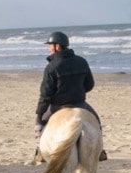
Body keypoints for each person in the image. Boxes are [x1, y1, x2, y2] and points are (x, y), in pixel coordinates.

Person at [33, 31, 104, 164]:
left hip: (57, 106)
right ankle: (100, 151)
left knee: (39, 125)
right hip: (80, 104)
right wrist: (78, 92)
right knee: (97, 121)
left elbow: (46, 94)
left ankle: (40, 151)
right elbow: (90, 84)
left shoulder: (51, 67)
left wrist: (39, 114)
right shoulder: (82, 61)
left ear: (57, 46)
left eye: (50, 45)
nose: (48, 48)